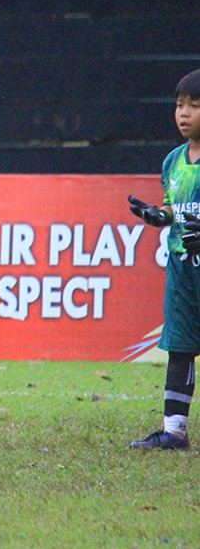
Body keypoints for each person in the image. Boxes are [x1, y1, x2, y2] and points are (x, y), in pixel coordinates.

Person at [128, 66, 200, 450]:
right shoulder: (174, 160)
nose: (184, 113)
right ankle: (174, 431)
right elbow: (175, 206)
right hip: (181, 267)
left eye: (194, 105)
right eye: (179, 105)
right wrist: (159, 216)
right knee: (180, 345)